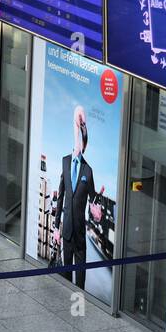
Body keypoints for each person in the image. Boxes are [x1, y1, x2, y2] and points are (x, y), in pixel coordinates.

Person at [50, 106, 103, 290]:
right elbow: (61, 195)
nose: (80, 141)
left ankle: (79, 304)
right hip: (66, 233)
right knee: (65, 275)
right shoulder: (65, 162)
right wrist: (56, 227)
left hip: (80, 235)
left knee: (80, 279)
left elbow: (93, 200)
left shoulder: (88, 171)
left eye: (83, 139)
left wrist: (97, 211)